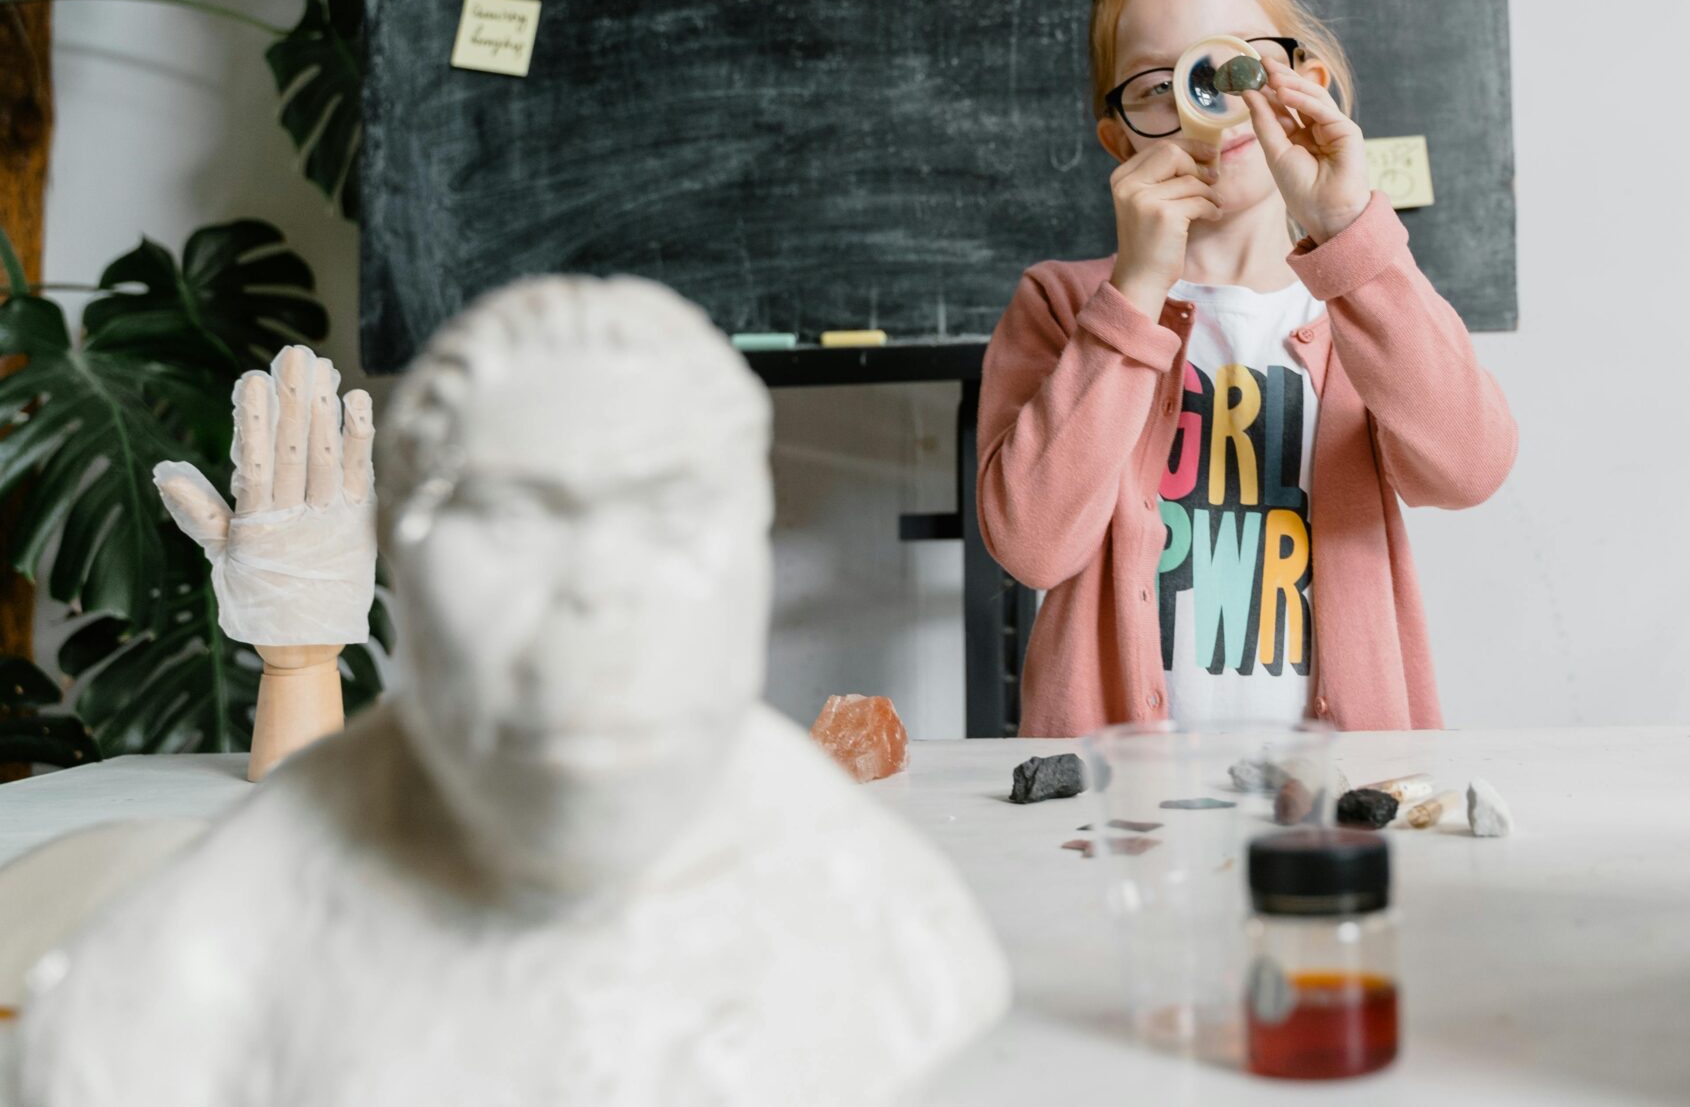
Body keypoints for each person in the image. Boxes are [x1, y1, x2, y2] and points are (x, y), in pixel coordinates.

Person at [19, 276, 1007, 1107]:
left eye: (670, 513)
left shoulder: (890, 928)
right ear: (400, 556)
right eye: (506, 519)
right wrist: (301, 659)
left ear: (753, 544)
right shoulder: (188, 972)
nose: (595, 590)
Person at [978, 0, 1516, 737]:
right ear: (1121, 140)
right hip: (1120, 821)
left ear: (1307, 80)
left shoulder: (1360, 303)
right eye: (1161, 88)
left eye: (1234, 71)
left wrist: (1349, 232)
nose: (1207, 108)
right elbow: (1031, 544)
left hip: (1336, 803)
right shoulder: (1062, 307)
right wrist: (1135, 293)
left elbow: (1470, 467)